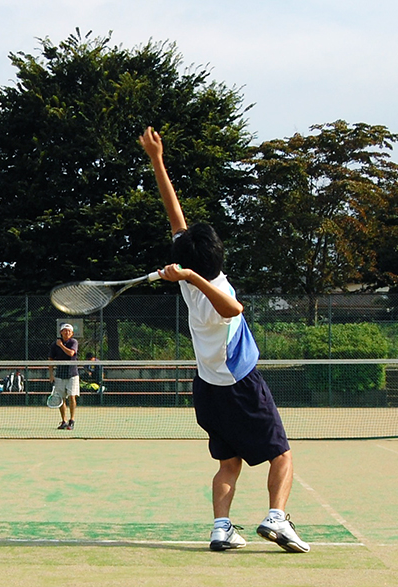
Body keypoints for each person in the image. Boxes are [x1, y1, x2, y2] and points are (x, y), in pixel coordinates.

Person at [140, 125, 308, 553]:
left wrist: (157, 160)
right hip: (241, 385)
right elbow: (235, 310)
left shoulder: (187, 278)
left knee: (227, 462)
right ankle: (277, 518)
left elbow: (173, 214)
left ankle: (221, 528)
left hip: (207, 389)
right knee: (282, 454)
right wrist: (194, 274)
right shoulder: (219, 291)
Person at [48, 323, 80, 430]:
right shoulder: (54, 345)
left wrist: (61, 345)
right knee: (61, 399)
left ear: (72, 333)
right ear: (61, 332)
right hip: (60, 375)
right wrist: (51, 374)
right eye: (65, 331)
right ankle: (64, 421)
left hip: (72, 374)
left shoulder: (73, 342)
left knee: (72, 396)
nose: (67, 333)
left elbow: (71, 353)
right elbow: (51, 360)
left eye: (69, 331)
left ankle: (72, 420)